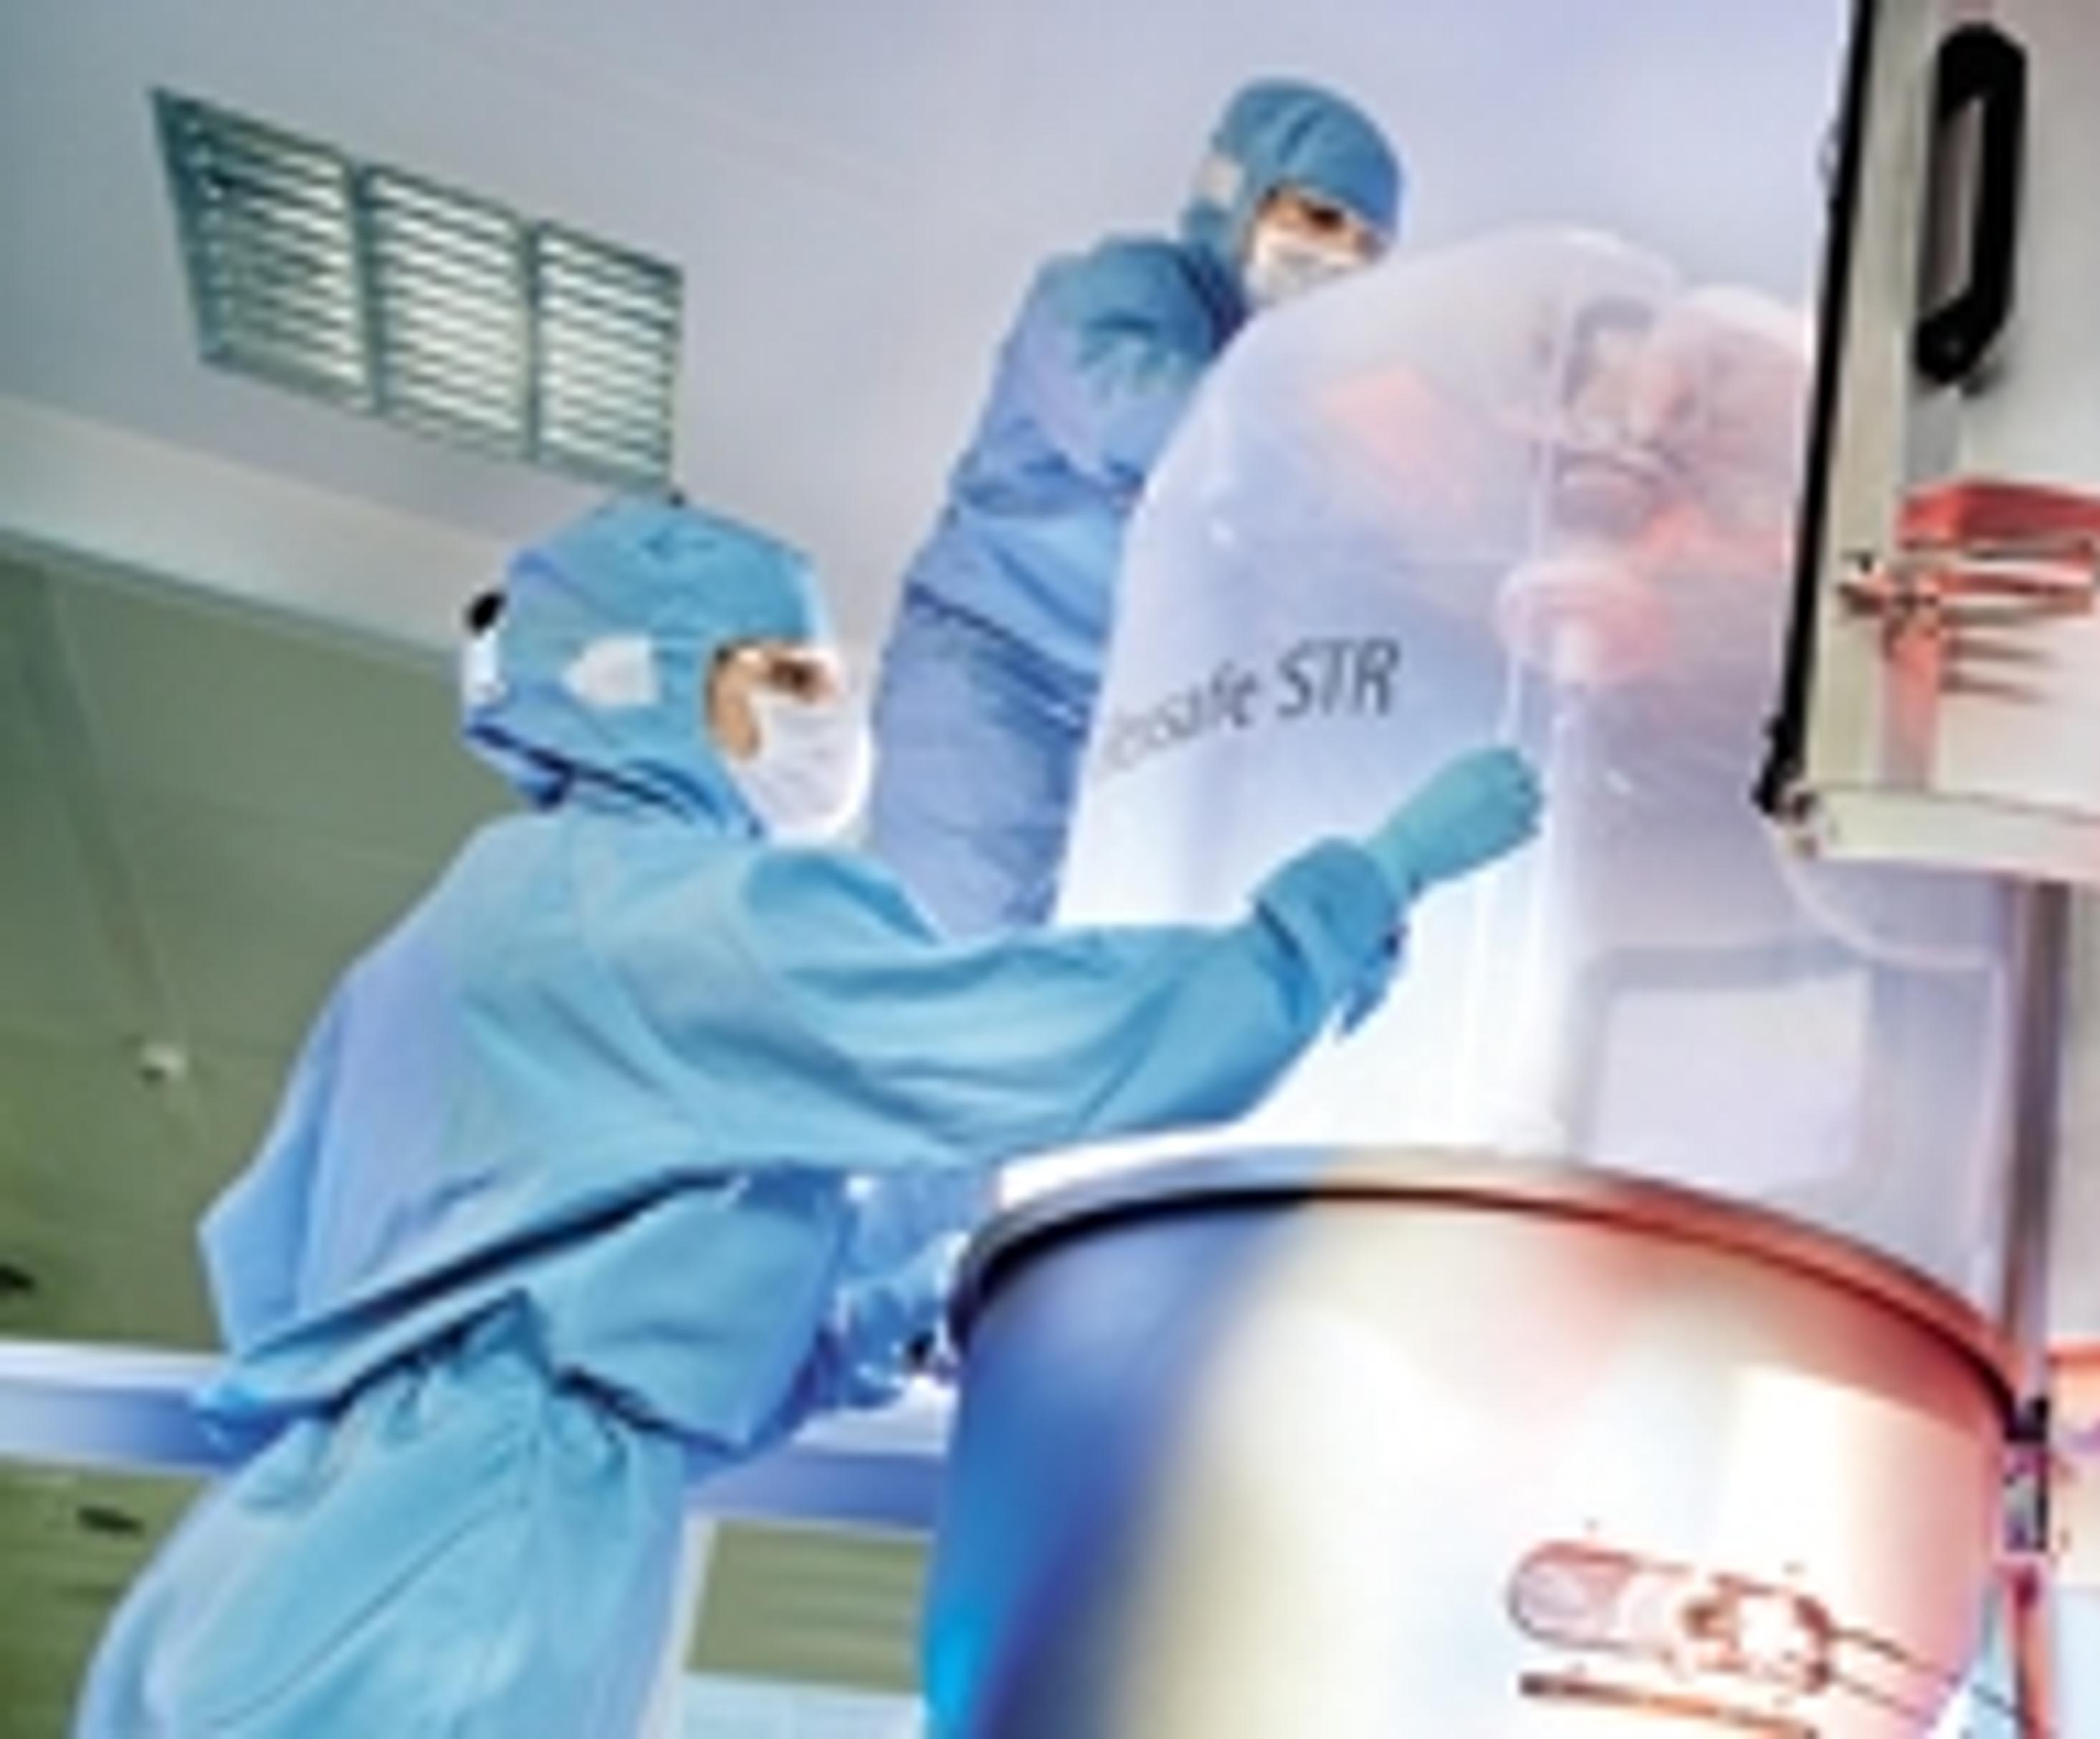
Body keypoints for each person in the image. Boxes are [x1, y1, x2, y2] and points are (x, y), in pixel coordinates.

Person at [75, 497, 1539, 1736]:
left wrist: (860, 1327)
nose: (824, 723)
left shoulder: (446, 943)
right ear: (654, 680)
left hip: (259, 1576)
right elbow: (1044, 1037)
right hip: (451, 1589)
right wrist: (1355, 895)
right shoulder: (677, 918)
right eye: (792, 678)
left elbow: (513, 1294)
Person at [869, 76, 1402, 937]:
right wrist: (1346, 452)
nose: (1342, 256)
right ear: (1239, 192)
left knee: (1092, 968)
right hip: (995, 673)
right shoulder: (1119, 290)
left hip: (1136, 715)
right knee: (958, 950)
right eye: (1319, 217)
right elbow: (1137, 419)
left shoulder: (1276, 383)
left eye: (1370, 246)